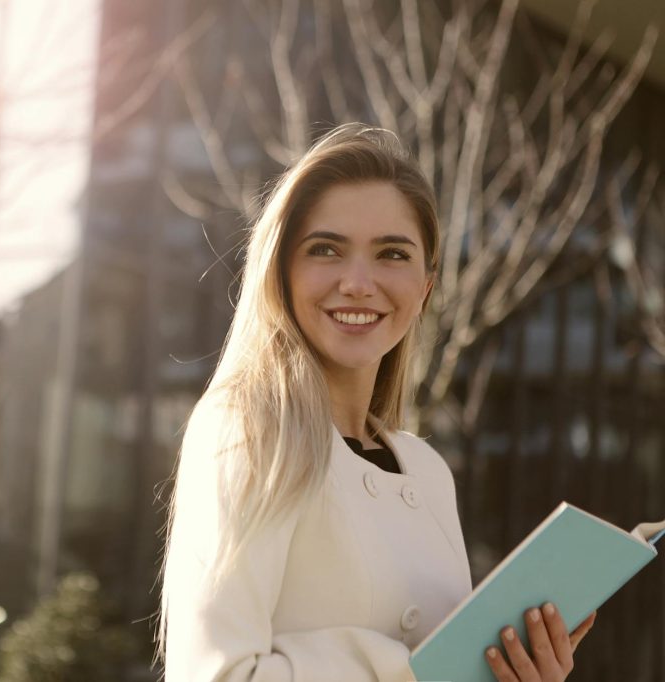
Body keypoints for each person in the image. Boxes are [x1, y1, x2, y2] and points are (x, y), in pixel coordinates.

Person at [156, 124, 596, 681]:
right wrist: (423, 672)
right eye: (325, 250)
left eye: (392, 254)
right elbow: (215, 675)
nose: (358, 283)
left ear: (426, 286)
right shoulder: (246, 429)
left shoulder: (429, 472)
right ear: (281, 272)